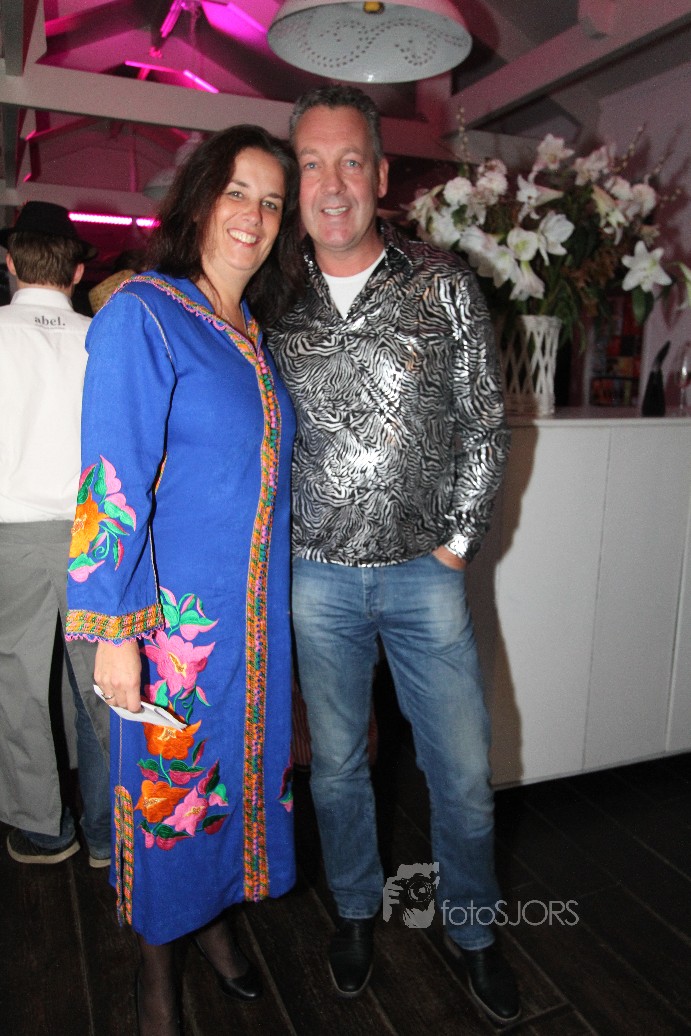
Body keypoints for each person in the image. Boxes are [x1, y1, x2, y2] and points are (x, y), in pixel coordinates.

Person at [268, 85, 521, 1026]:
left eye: (349, 161)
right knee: (336, 768)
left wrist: (457, 545)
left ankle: (473, 930)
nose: (331, 184)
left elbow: (484, 423)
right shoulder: (271, 296)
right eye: (311, 164)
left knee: (461, 775)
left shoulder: (441, 283)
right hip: (315, 577)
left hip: (424, 575)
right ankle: (353, 911)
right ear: (296, 180)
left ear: (380, 175)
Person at [65, 125, 303, 1036]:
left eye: (270, 202)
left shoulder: (253, 338)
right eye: (237, 191)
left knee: (230, 790)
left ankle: (213, 925)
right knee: (167, 803)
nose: (253, 215)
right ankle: (155, 972)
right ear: (200, 199)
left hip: (252, 632)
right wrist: (115, 634)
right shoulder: (146, 313)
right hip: (173, 634)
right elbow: (110, 481)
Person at [0, 201, 111, 869]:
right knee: (100, 686)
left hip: (11, 534)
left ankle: (45, 828)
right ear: (75, 272)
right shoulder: (102, 339)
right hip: (96, 536)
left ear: (9, 262)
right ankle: (106, 832)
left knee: (17, 686)